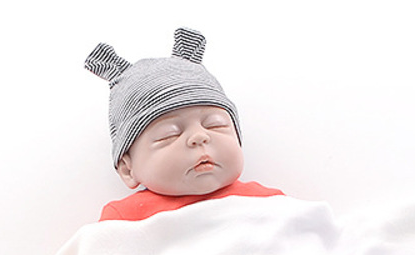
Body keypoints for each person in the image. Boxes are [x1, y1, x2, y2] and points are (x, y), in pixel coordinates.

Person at [85, 27, 284, 222]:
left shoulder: (271, 205)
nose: (199, 136)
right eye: (169, 134)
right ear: (128, 169)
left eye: (216, 125)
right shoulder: (124, 220)